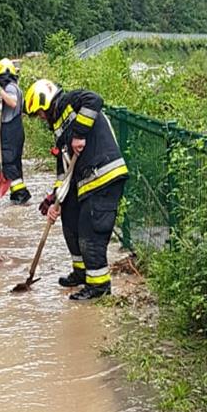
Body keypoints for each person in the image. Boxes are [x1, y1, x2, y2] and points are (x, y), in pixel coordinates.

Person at [24, 78, 127, 300]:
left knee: (91, 233)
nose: (41, 118)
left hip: (103, 178)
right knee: (71, 222)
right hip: (85, 183)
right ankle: (81, 273)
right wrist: (54, 199)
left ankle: (99, 286)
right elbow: (63, 172)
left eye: (40, 112)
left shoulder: (71, 102)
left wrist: (79, 134)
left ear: (47, 103)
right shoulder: (59, 128)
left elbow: (95, 99)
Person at [0, 58, 30, 203]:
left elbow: (13, 103)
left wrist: (0, 91)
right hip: (16, 128)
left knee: (8, 163)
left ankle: (21, 193)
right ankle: (16, 195)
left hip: (11, 129)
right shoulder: (15, 87)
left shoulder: (10, 88)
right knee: (15, 163)